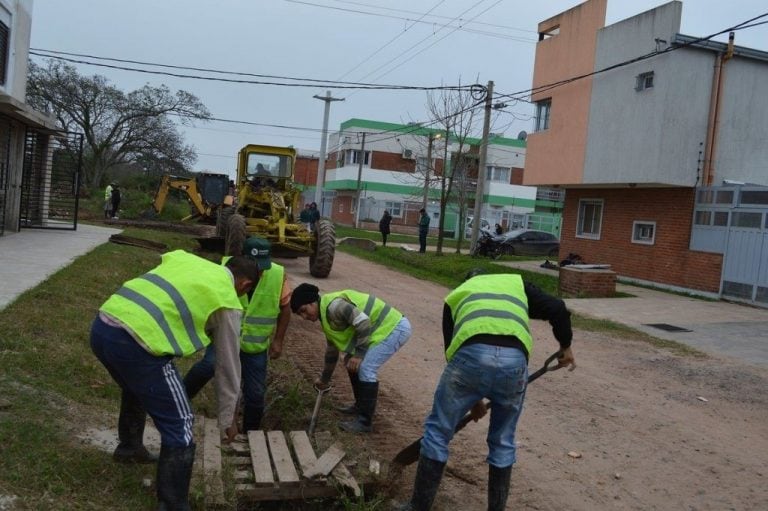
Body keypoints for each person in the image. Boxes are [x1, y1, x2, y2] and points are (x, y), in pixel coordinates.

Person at [90, 250, 260, 510]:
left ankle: (130, 449)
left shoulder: (190, 261)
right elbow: (226, 365)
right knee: (181, 424)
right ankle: (172, 504)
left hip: (103, 327)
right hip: (137, 345)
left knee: (135, 388)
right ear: (245, 285)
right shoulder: (227, 300)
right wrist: (228, 418)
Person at [401, 268, 575, 511]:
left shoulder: (458, 295)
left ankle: (418, 507)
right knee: (503, 440)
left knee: (438, 432)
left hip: (470, 359)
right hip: (514, 364)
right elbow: (557, 308)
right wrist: (565, 346)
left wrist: (472, 398)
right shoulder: (516, 285)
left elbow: (453, 350)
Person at [183, 236, 292, 432]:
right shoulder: (226, 267)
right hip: (225, 338)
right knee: (208, 366)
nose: (260, 271)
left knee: (256, 393)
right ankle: (179, 401)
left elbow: (285, 308)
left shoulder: (277, 275)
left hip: (255, 346)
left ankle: (250, 433)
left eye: (263, 266)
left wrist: (278, 340)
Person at [290, 283, 411, 433]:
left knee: (366, 367)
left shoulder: (335, 307)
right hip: (380, 331)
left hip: (395, 328)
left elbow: (363, 322)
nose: (304, 317)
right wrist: (324, 380)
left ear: (312, 302)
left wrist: (359, 354)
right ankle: (360, 406)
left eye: (304, 310)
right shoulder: (325, 318)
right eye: (300, 314)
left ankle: (365, 422)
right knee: (349, 361)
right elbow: (332, 352)